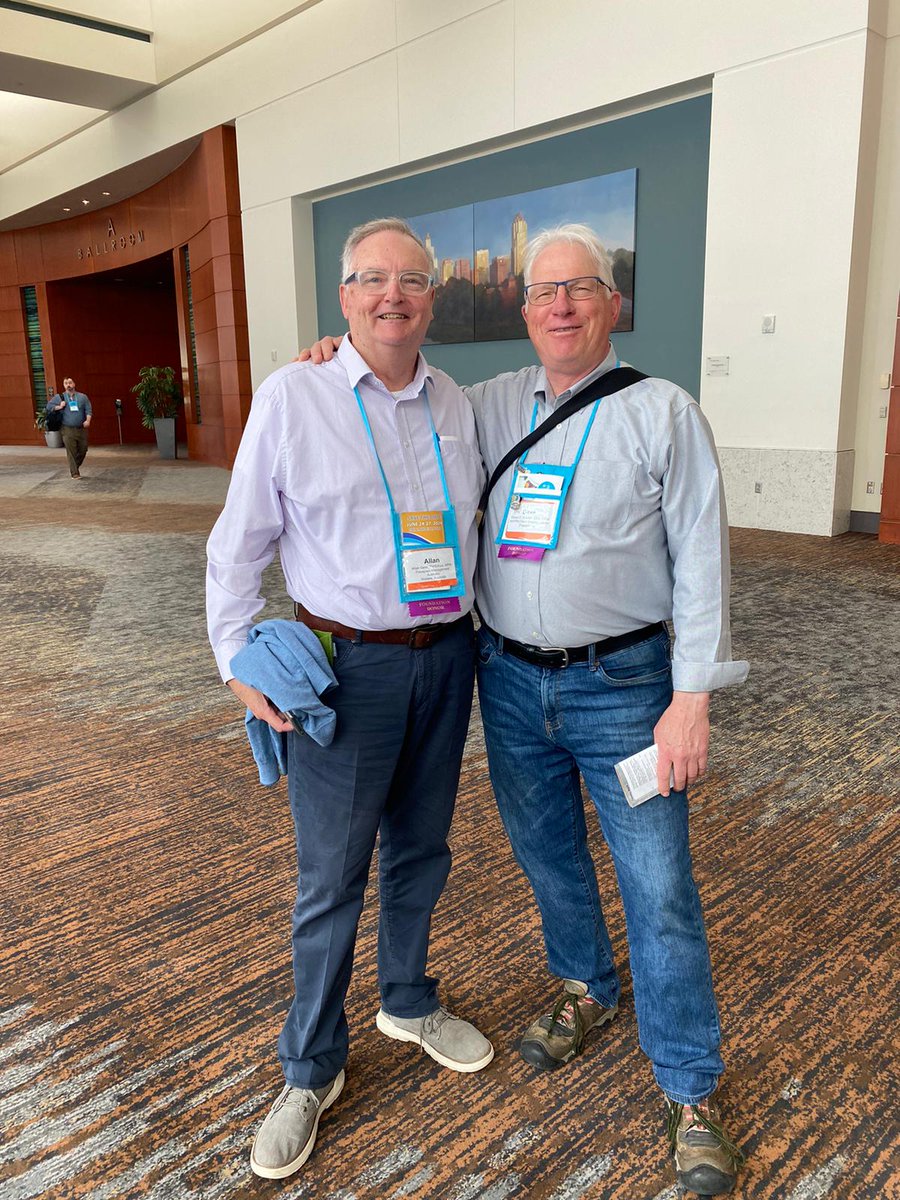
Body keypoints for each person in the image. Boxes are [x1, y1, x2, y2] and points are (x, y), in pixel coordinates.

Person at [303, 222, 749, 1197]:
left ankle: (690, 1089)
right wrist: (328, 359)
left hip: (627, 692)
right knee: (547, 856)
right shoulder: (488, 404)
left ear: (611, 303)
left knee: (660, 886)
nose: (560, 306)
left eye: (580, 289)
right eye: (545, 292)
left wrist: (692, 701)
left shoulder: (663, 412)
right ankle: (586, 987)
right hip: (506, 682)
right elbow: (390, 384)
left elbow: (705, 565)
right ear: (524, 308)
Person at [206, 218, 492, 1182]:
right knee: (331, 874)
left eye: (411, 281)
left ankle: (407, 998)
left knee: (423, 846)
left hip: (448, 658)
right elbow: (236, 546)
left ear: (432, 297)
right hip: (346, 668)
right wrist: (234, 659)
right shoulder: (295, 396)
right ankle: (310, 1068)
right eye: (373, 280)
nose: (392, 297)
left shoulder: (457, 401)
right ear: (344, 295)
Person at [48, 378, 91, 478]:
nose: (68, 385)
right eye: (66, 383)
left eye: (70, 383)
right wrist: (59, 406)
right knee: (71, 451)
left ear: (74, 384)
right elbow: (49, 407)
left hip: (81, 428)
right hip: (67, 428)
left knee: (83, 449)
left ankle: (75, 466)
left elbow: (88, 410)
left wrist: (88, 420)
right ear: (64, 385)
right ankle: (74, 472)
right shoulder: (60, 397)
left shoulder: (82, 397)